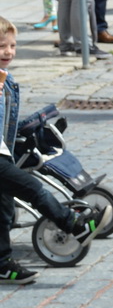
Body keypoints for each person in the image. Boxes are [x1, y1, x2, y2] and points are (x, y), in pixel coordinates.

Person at [0, 17, 106, 284]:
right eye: (1, 46)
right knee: (33, 189)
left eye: (12, 46)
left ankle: (1, 264)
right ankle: (74, 225)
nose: (8, 52)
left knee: (2, 211)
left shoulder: (6, 80)